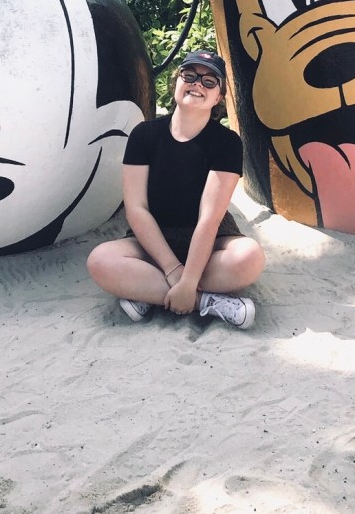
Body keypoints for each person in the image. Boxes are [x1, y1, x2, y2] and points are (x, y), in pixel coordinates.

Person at [87, 49, 265, 329]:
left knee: (249, 257)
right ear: (176, 84)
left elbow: (210, 218)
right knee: (100, 260)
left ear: (218, 98)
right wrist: (173, 271)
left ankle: (147, 291)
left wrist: (189, 280)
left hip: (210, 237)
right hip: (152, 236)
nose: (197, 84)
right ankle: (206, 302)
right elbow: (136, 209)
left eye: (209, 82)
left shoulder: (227, 143)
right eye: (190, 75)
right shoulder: (143, 135)